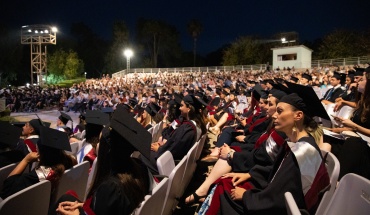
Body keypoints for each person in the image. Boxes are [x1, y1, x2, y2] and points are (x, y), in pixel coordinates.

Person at [198, 91, 330, 215]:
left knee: (224, 188)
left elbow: (279, 198)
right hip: (271, 197)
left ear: (298, 116)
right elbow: (276, 172)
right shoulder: (294, 142)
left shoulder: (303, 152)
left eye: (280, 111)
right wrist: (249, 174)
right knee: (226, 180)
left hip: (279, 209)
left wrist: (246, 196)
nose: (274, 116)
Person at [51, 105, 155, 215]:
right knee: (65, 198)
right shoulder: (139, 166)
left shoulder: (110, 188)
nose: (97, 145)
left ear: (108, 149)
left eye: (100, 141)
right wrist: (84, 206)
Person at [185, 92, 286, 204]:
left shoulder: (279, 133)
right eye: (263, 103)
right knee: (229, 141)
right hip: (254, 155)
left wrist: (234, 153)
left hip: (258, 170)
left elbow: (263, 157)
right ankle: (208, 184)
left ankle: (205, 189)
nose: (265, 106)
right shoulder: (273, 126)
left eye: (269, 104)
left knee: (229, 157)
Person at [0, 127, 76, 200]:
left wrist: (26, 160)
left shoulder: (37, 176)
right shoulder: (70, 163)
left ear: (41, 153)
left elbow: (7, 189)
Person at [141, 94, 207, 174]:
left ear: (189, 108)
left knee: (142, 154)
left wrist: (159, 149)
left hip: (167, 164)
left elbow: (174, 150)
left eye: (182, 106)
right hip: (172, 160)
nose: (179, 108)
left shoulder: (187, 128)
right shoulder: (196, 125)